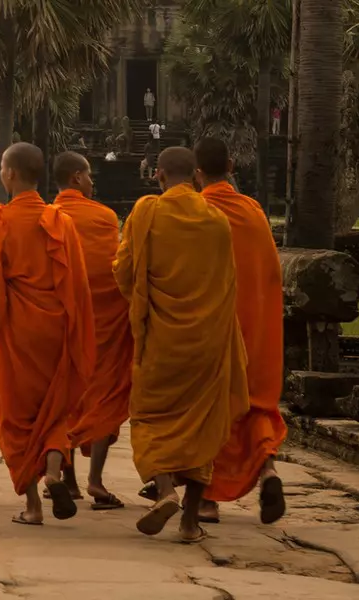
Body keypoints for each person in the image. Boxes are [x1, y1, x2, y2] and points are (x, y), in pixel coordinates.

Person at [116, 146, 249, 544]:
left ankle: (165, 489)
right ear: (195, 176)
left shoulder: (147, 212)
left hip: (160, 337)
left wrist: (140, 300)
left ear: (158, 175)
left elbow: (124, 271)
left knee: (152, 419)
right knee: (201, 425)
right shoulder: (217, 219)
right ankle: (190, 522)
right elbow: (229, 284)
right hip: (206, 342)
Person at [0, 143, 95, 526]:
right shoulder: (60, 221)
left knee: (16, 415)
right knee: (55, 405)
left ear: (9, 174)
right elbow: (76, 282)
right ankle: (54, 472)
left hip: (16, 328)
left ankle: (32, 506)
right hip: (55, 326)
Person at [195, 138, 288, 525]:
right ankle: (268, 470)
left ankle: (206, 499)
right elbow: (270, 271)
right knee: (253, 403)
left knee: (210, 407)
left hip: (215, 326)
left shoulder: (198, 212)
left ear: (198, 173)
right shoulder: (252, 210)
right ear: (231, 165)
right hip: (256, 325)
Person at [51, 150, 134, 511]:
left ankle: (66, 480)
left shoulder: (47, 218)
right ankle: (96, 481)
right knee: (106, 395)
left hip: (61, 321)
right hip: (105, 323)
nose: (92, 180)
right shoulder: (104, 217)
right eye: (87, 175)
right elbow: (115, 266)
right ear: (75, 178)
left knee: (64, 397)